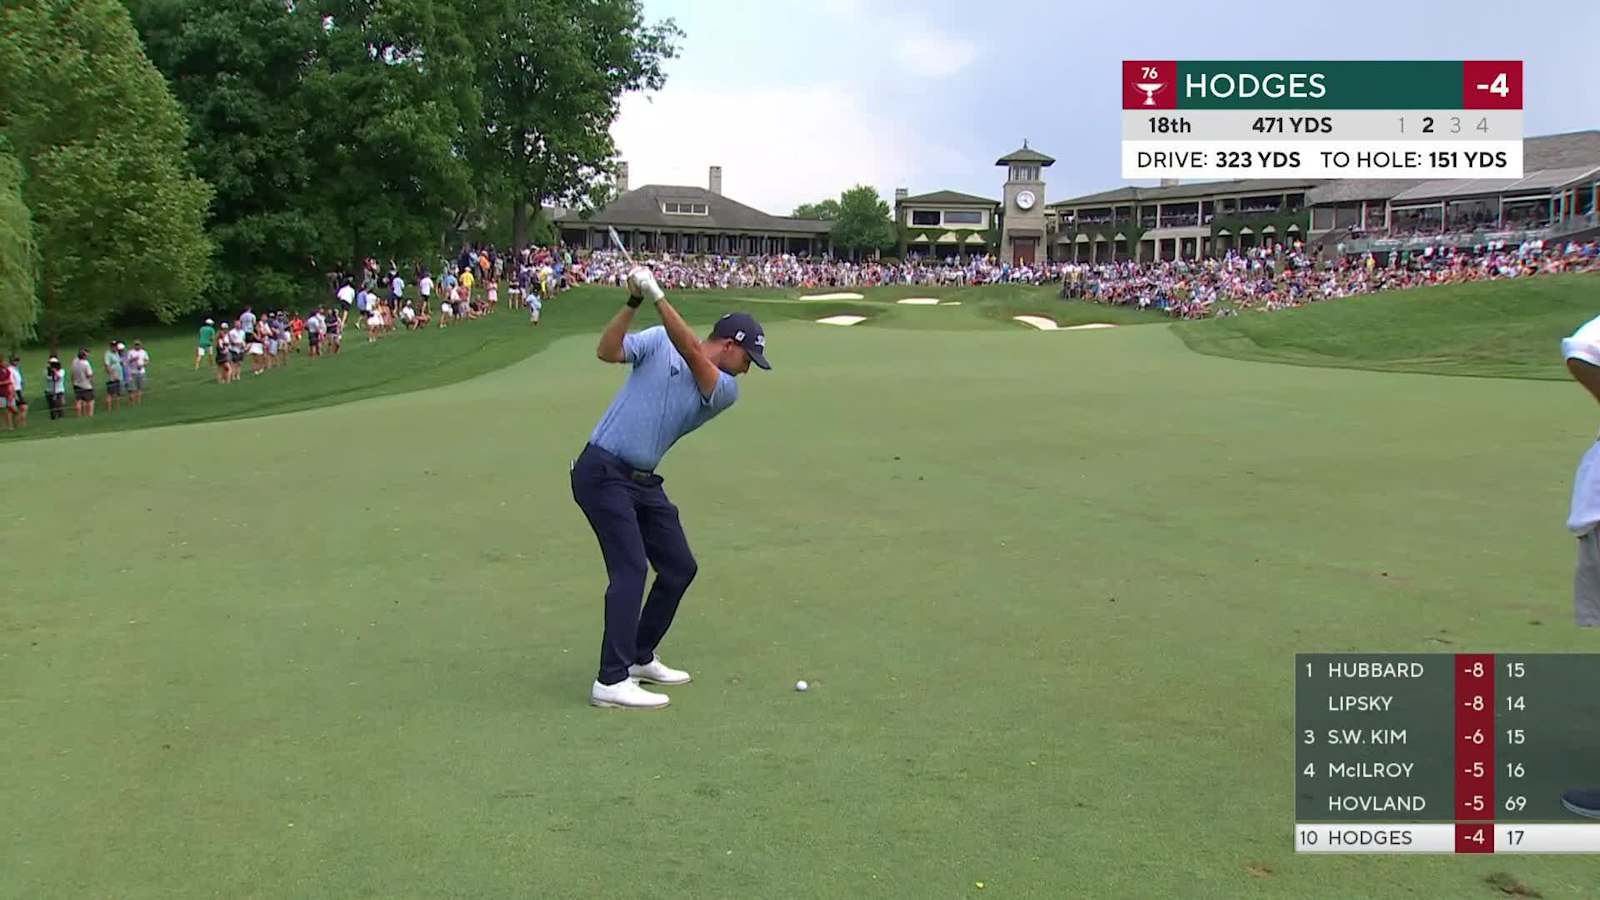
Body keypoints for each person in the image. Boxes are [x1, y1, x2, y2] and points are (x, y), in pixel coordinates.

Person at [572, 265, 770, 709]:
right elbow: (607, 352)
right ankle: (610, 680)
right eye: (749, 359)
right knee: (630, 570)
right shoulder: (659, 342)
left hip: (641, 482)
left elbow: (692, 351)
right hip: (601, 471)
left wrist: (658, 295)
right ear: (733, 345)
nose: (749, 370)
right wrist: (633, 302)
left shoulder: (724, 389)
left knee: (679, 566)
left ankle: (639, 655)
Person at [70, 349, 94, 416]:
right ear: (84, 356)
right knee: (90, 401)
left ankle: (78, 415)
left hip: (76, 384)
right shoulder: (86, 363)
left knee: (78, 401)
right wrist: (92, 382)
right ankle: (90, 415)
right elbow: (89, 374)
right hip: (86, 385)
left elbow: (72, 373)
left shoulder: (74, 361)